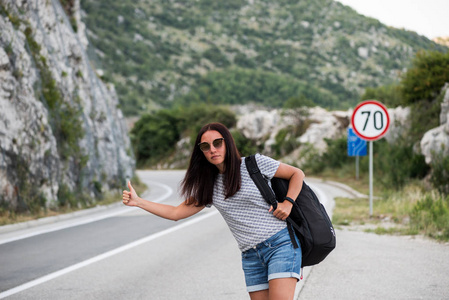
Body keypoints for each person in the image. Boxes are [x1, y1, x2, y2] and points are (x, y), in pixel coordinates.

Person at [122, 122, 305, 300]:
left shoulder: (254, 164)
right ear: (201, 151)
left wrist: (288, 203)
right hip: (251, 256)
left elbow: (297, 173)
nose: (212, 149)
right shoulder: (209, 185)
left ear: (227, 143)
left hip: (281, 244)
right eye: (205, 146)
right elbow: (175, 213)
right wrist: (138, 202)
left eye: (217, 143)